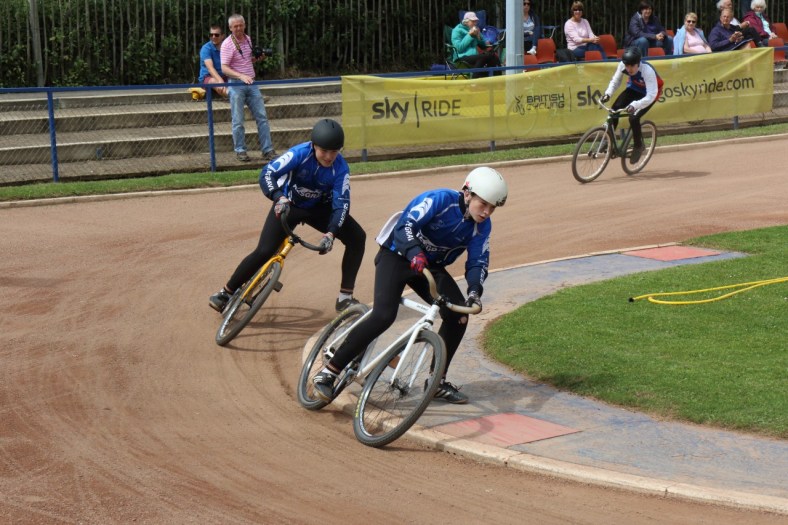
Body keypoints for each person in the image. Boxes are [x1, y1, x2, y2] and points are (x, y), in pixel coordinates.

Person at [312, 167, 509, 405]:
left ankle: (436, 382)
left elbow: (478, 261)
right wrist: (414, 252)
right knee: (384, 315)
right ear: (468, 193)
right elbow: (405, 226)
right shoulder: (439, 200)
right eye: (483, 204)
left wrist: (474, 291)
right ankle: (329, 372)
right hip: (397, 254)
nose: (487, 212)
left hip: (429, 267)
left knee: (458, 315)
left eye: (492, 207)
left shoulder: (482, 226)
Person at [209, 119, 366, 315]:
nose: (328, 156)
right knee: (264, 250)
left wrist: (331, 233)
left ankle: (345, 299)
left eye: (334, 151)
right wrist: (278, 197)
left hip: (319, 210)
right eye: (324, 151)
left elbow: (342, 205)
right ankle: (226, 292)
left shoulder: (341, 168)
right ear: (314, 145)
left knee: (357, 237)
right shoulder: (300, 153)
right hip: (288, 204)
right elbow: (268, 173)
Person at [220, 13, 277, 163]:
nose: (239, 28)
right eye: (235, 26)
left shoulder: (248, 39)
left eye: (241, 25)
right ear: (230, 28)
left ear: (244, 25)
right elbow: (224, 68)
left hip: (251, 83)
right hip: (236, 84)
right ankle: (240, 150)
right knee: (238, 120)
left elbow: (246, 61)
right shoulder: (227, 44)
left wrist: (257, 59)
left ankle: (267, 150)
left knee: (262, 117)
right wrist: (240, 76)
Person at [600, 47, 663, 164]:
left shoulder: (647, 71)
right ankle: (608, 140)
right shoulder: (623, 65)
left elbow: (651, 95)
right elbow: (615, 81)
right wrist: (607, 94)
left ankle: (638, 146)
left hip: (649, 95)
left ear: (638, 63)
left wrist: (635, 105)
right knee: (614, 110)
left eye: (632, 66)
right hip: (634, 89)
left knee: (633, 117)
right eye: (627, 66)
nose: (628, 69)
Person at [451, 11, 501, 78]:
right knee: (483, 57)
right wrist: (470, 35)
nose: (475, 23)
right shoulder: (457, 30)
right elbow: (459, 48)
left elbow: (483, 44)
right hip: (461, 57)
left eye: (476, 21)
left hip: (475, 56)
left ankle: (497, 78)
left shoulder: (475, 29)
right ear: (466, 21)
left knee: (493, 56)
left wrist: (478, 36)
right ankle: (475, 78)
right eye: (473, 21)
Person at [197, 25, 228, 98]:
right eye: (211, 35)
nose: (213, 37)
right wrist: (220, 81)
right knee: (214, 81)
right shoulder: (206, 48)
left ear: (222, 36)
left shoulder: (227, 47)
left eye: (216, 35)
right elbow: (210, 68)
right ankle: (235, 97)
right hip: (208, 77)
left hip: (225, 76)